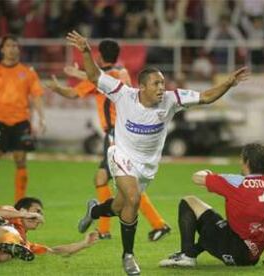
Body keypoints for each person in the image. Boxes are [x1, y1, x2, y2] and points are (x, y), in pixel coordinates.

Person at [67, 30, 249, 275]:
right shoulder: (123, 94)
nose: (162, 88)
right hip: (120, 154)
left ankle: (95, 210)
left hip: (146, 167)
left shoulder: (172, 100)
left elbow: (205, 97)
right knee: (132, 199)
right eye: (156, 83)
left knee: (120, 206)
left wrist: (227, 83)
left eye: (163, 83)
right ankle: (129, 256)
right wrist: (87, 52)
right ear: (141, 87)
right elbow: (93, 75)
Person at [45, 39, 171, 241]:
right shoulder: (121, 72)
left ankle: (146, 225)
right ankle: (115, 229)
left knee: (125, 183)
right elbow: (99, 75)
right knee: (107, 179)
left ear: (99, 56)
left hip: (115, 134)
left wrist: (56, 87)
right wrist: (79, 73)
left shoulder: (102, 80)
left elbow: (74, 92)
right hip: (122, 133)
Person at [159, 143, 264, 268]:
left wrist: (207, 172)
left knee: (189, 201)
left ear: (247, 162)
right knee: (222, 225)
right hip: (251, 258)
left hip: (233, 249)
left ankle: (187, 256)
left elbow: (196, 178)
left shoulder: (238, 182)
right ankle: (192, 252)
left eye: (241, 159)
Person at [0, 35, 46, 211]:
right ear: (2, 49)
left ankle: (19, 202)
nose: (12, 49)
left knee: (20, 160)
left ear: (18, 49)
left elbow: (37, 95)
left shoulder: (28, 72)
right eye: (8, 46)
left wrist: (41, 117)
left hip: (21, 121)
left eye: (15, 46)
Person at [0, 197, 98, 264]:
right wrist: (24, 214)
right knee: (12, 238)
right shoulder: (13, 213)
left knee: (4, 256)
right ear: (23, 209)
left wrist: (83, 244)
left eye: (40, 214)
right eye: (37, 211)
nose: (38, 216)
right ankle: (9, 244)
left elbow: (55, 251)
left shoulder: (25, 243)